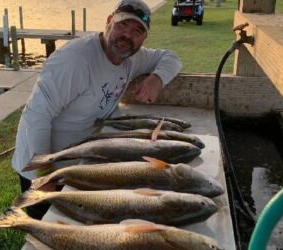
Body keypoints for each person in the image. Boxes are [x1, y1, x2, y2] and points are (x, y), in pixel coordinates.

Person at [12, 0, 182, 219]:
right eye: (122, 25)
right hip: (42, 163)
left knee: (79, 225)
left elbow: (171, 57)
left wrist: (157, 79)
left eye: (136, 31)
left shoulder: (132, 58)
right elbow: (36, 115)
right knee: (47, 225)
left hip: (82, 161)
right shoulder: (75, 60)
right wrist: (45, 175)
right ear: (109, 22)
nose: (127, 36)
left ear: (143, 39)